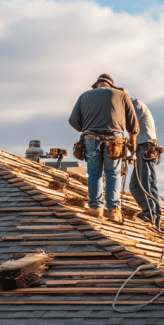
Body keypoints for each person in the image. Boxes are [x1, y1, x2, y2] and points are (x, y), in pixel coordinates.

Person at [68, 73, 138, 223]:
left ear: (96, 84)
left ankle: (95, 209)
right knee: (113, 173)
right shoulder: (121, 94)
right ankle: (113, 211)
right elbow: (133, 124)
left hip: (91, 138)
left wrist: (85, 128)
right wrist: (133, 140)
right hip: (115, 140)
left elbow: (73, 120)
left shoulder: (84, 96)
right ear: (111, 85)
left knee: (94, 173)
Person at [129, 96, 161, 228]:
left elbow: (131, 126)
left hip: (145, 147)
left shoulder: (135, 104)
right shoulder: (132, 106)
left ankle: (151, 213)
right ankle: (152, 213)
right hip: (141, 148)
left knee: (146, 183)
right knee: (135, 186)